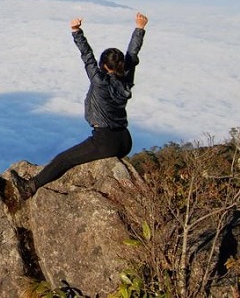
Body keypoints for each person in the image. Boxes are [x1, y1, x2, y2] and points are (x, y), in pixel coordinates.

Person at [10, 12, 149, 200]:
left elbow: (87, 56)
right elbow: (132, 55)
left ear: (103, 66)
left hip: (106, 141)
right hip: (125, 140)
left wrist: (76, 31)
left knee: (63, 159)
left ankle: (30, 187)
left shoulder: (100, 80)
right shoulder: (126, 77)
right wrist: (139, 29)